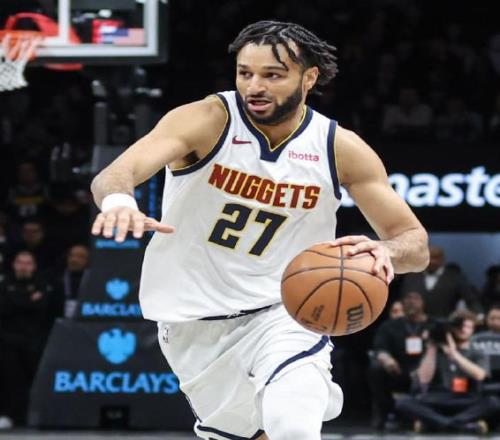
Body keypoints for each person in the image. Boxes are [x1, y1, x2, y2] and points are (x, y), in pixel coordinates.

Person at [90, 20, 429, 440]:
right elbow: (114, 175)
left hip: (286, 310)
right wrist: (120, 202)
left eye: (272, 75)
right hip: (193, 321)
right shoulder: (207, 120)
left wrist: (387, 251)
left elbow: (415, 246)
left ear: (309, 78)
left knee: (292, 427)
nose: (255, 87)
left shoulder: (339, 148)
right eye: (245, 73)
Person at [396, 310, 499, 434]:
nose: (463, 329)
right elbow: (424, 379)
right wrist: (432, 346)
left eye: (467, 326)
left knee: (493, 402)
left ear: (473, 330)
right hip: (436, 399)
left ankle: (437, 424)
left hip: (466, 400)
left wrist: (454, 354)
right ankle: (458, 425)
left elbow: (480, 375)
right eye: (459, 326)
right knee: (403, 402)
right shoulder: (435, 351)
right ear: (451, 329)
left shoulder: (477, 353)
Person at [0, 250, 57, 427]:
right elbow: (4, 307)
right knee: (10, 379)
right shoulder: (4, 282)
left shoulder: (42, 283)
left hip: (34, 340)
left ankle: (33, 415)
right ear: (13, 265)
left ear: (34, 266)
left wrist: (16, 300)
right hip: (7, 340)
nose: (24, 267)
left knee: (35, 378)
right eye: (20, 262)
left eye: (28, 263)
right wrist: (28, 301)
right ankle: (9, 415)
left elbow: (43, 308)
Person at [369, 291, 429, 431]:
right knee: (375, 368)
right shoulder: (389, 326)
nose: (411, 302)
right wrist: (387, 360)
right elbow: (380, 349)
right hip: (399, 370)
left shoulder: (432, 324)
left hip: (426, 372)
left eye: (415, 298)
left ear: (423, 303)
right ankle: (384, 412)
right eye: (408, 299)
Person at [400, 245, 482, 319]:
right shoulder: (412, 276)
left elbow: (470, 299)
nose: (431, 261)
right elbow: (402, 299)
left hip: (444, 324)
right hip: (414, 323)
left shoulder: (454, 277)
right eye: (428, 257)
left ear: (443, 259)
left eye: (435, 258)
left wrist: (480, 315)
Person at [471, 304, 500, 392]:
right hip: (479, 379)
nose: (495, 322)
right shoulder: (476, 338)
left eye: (499, 318)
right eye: (492, 318)